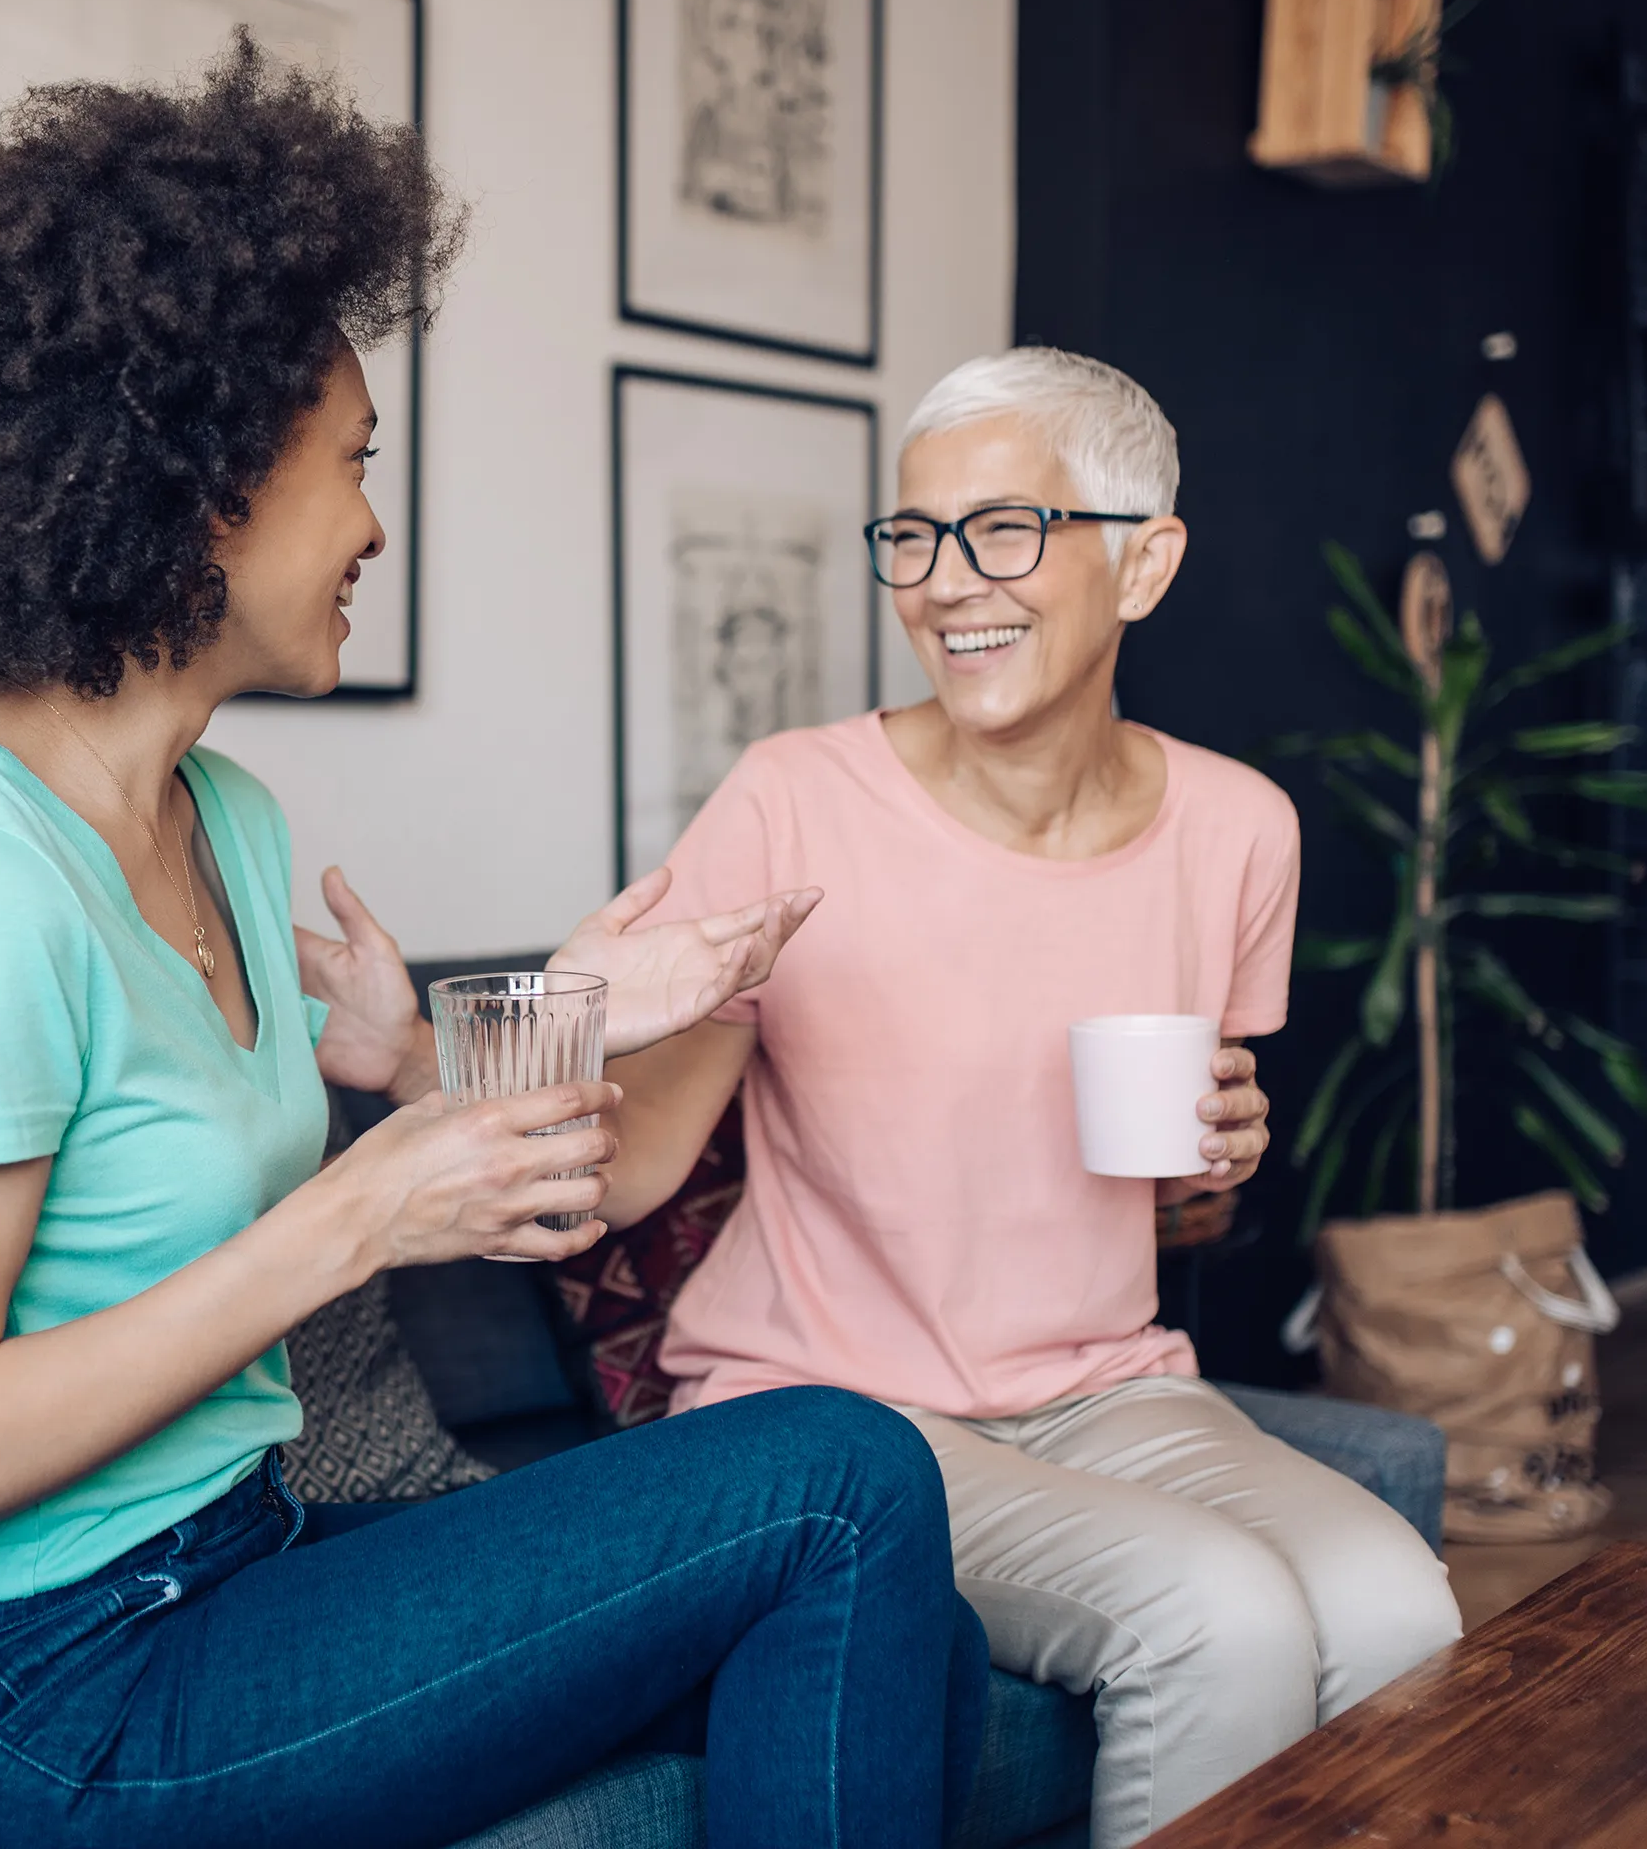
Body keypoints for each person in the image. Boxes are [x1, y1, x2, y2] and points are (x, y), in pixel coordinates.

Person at [0, 41, 985, 1849]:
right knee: (840, 1477)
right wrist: (353, 1217)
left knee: (916, 1623)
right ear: (196, 484)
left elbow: (312, 1123)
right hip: (18, 1700)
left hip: (227, 1567)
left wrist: (595, 1012)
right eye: (348, 463)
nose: (370, 521)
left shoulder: (226, 815)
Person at [597, 349, 1464, 1848]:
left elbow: (1181, 1198)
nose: (944, 583)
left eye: (1004, 531)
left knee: (1403, 1605)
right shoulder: (795, 798)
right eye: (915, 537)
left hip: (1108, 1387)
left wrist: (1218, 1166)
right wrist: (476, 1053)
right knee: (1222, 1614)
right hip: (834, 1408)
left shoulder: (1240, 829)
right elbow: (632, 1169)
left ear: (1144, 563)